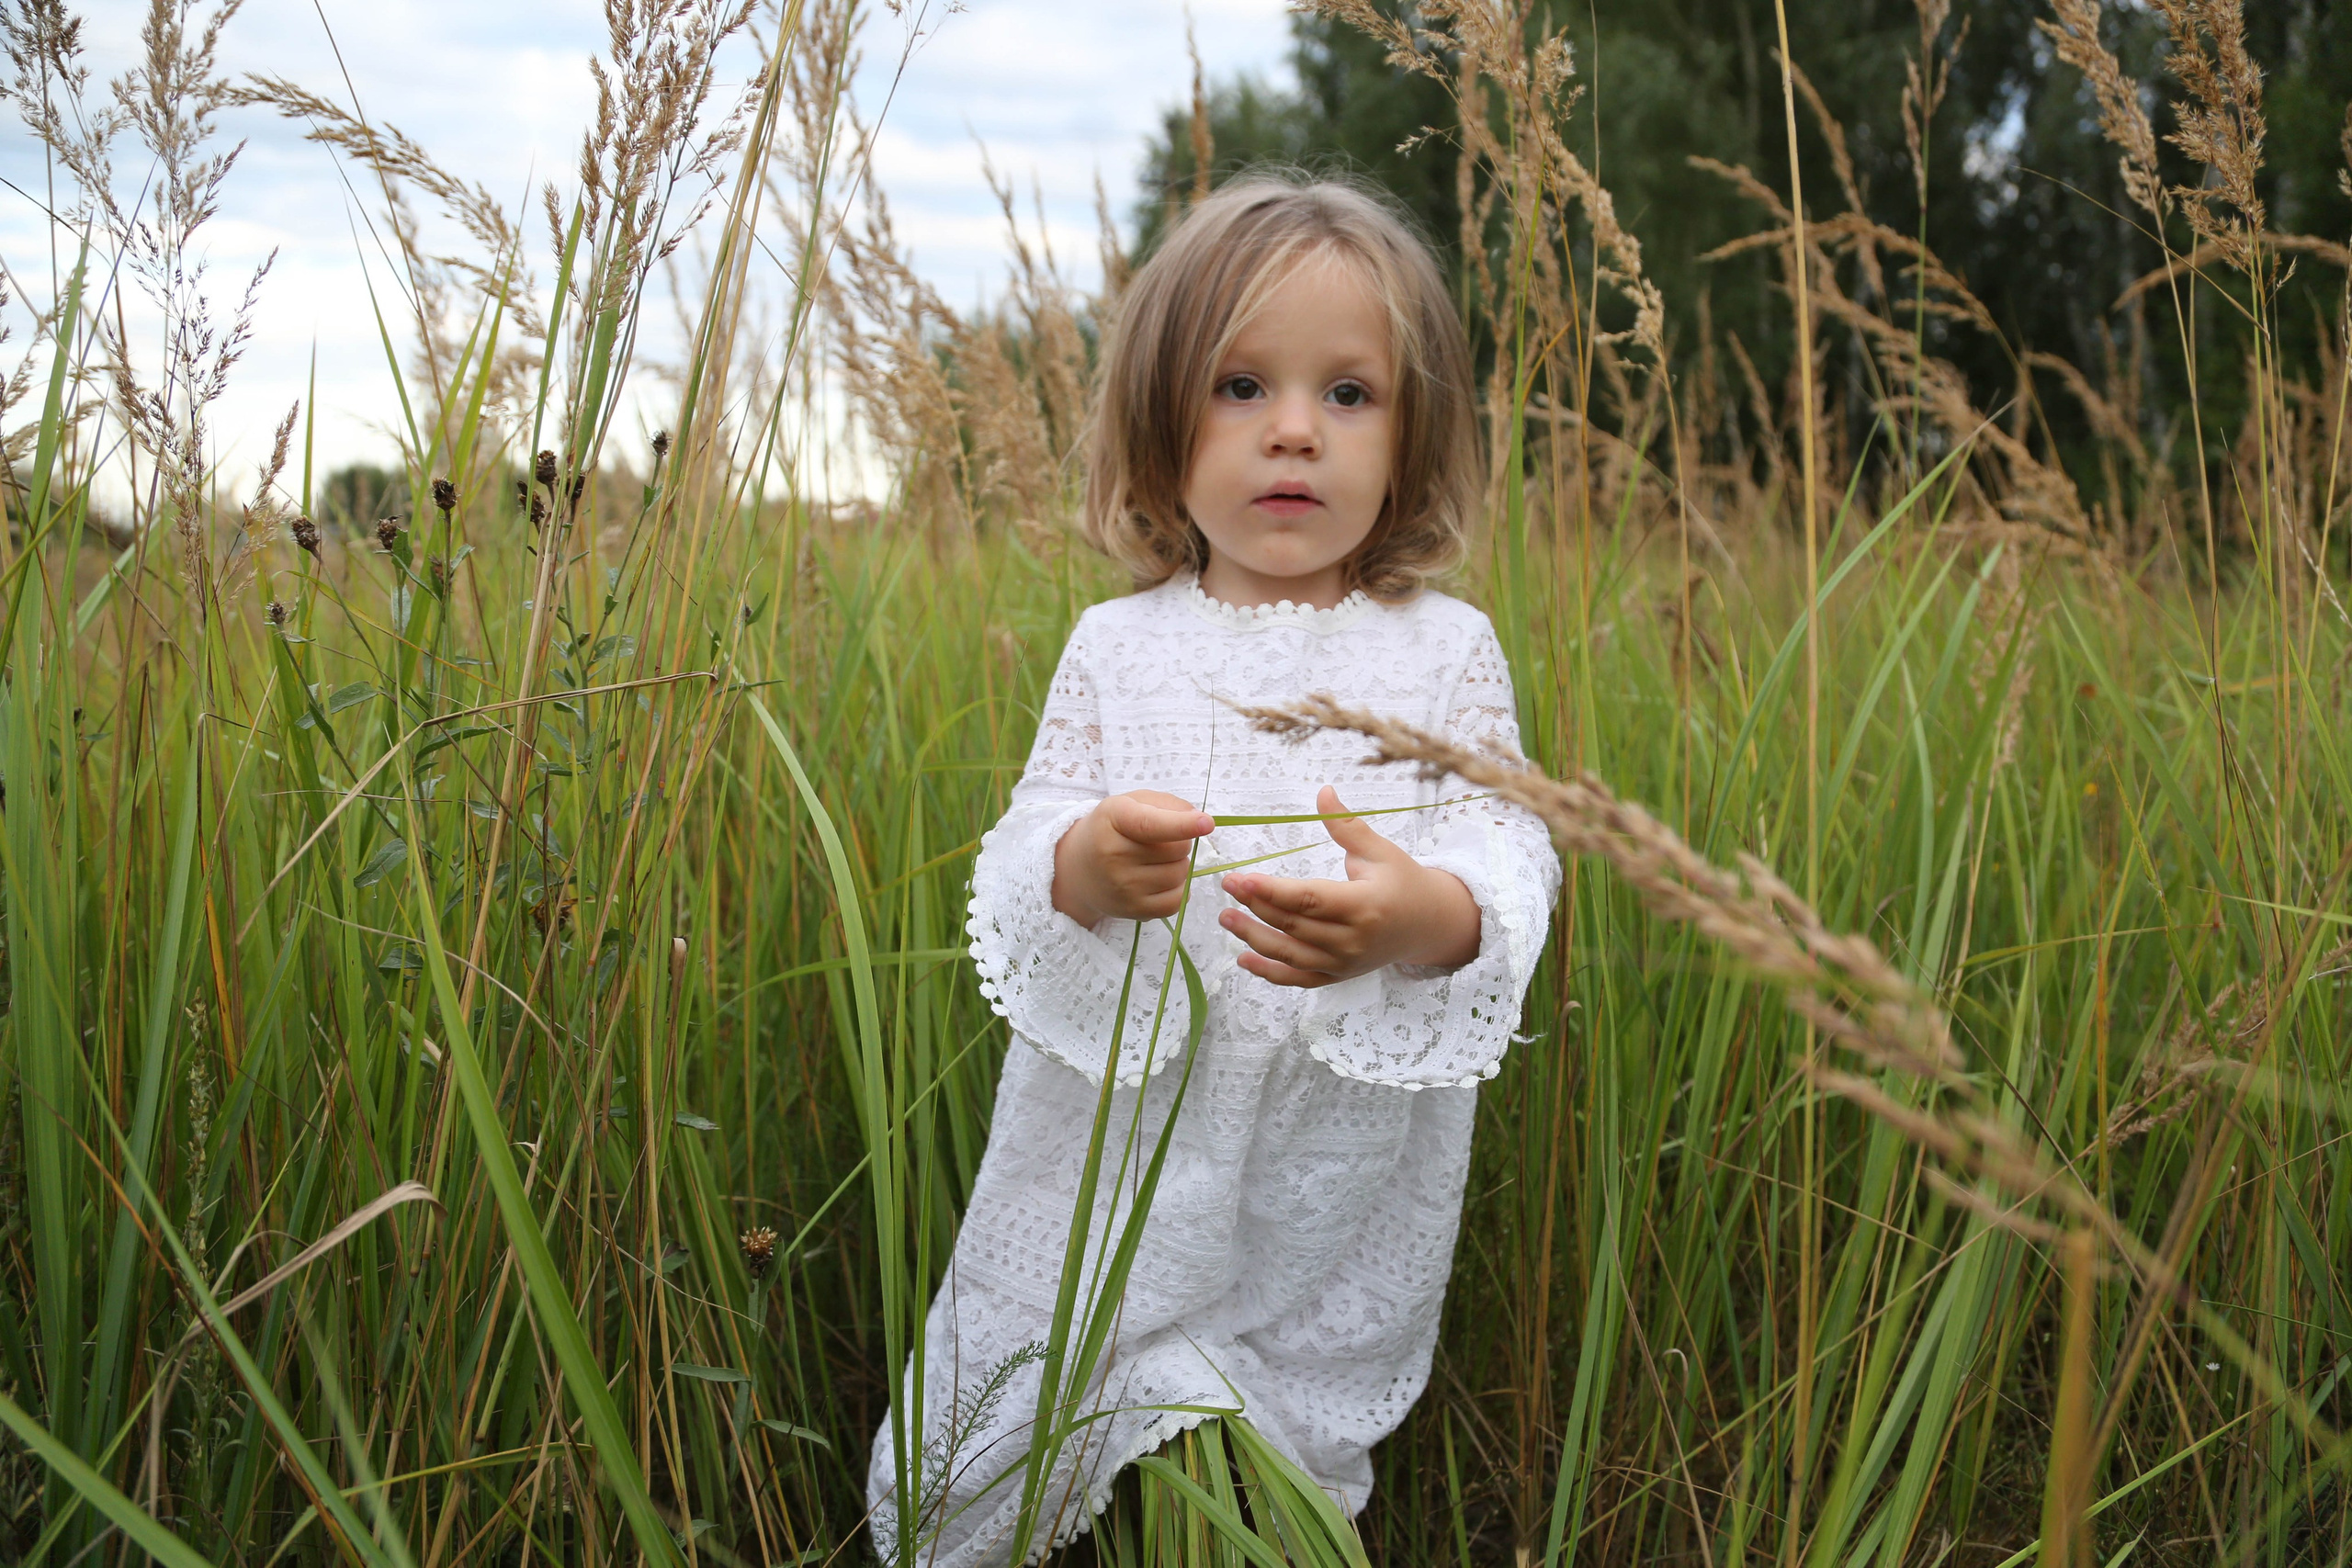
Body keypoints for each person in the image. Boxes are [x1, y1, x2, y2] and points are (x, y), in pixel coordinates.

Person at [866, 174, 1561, 1567]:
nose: (1295, 429)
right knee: (1021, 1379)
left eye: (1350, 394)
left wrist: (1421, 915)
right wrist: (1087, 864)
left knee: (1293, 1409)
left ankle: (1259, 1518)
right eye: (1242, 385)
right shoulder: (1120, 648)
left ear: (1414, 431)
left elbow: (1510, 845)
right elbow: (1028, 839)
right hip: (1122, 1134)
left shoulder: (1441, 649)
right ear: (1159, 424)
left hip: (1333, 1147)